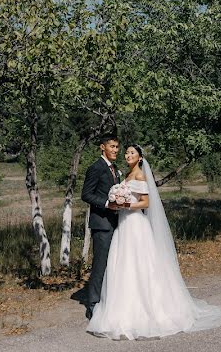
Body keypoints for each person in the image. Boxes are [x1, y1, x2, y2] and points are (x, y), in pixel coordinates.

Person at [86, 144, 221, 340]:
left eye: (131, 152)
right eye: (126, 152)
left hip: (135, 224)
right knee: (123, 266)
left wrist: (125, 204)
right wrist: (117, 200)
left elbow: (145, 202)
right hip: (123, 226)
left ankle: (149, 308)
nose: (127, 155)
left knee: (142, 266)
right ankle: (123, 306)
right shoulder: (124, 175)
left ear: (140, 158)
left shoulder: (140, 176)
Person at [80, 134, 123, 320]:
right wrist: (107, 204)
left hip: (116, 222)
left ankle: (109, 300)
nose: (115, 150)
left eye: (117, 147)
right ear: (102, 147)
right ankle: (93, 305)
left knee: (113, 263)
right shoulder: (96, 168)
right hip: (102, 224)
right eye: (112, 146)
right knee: (100, 264)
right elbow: (86, 194)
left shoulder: (115, 169)